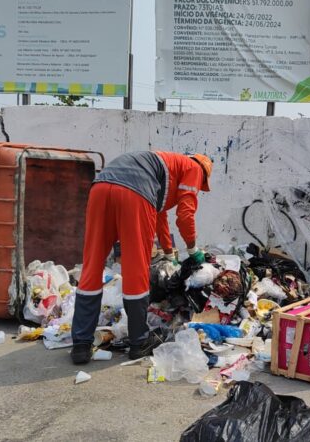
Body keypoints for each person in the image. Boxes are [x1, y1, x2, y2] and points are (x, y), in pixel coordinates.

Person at [70, 151, 213, 364]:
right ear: (203, 175)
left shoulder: (165, 166)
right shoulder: (194, 169)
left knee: (92, 264)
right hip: (134, 195)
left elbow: (159, 216)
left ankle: (81, 344)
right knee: (135, 268)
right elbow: (185, 215)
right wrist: (193, 251)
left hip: (100, 188)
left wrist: (167, 253)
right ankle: (139, 342)